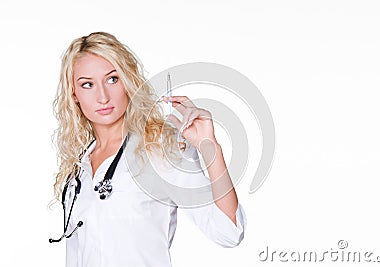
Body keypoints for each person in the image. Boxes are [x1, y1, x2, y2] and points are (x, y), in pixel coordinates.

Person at [52, 32, 246, 266]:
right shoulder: (79, 166)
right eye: (87, 85)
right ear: (74, 95)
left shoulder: (159, 150)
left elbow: (228, 231)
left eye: (112, 79)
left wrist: (210, 147)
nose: (102, 96)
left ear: (128, 81)